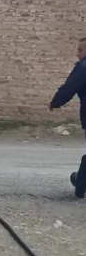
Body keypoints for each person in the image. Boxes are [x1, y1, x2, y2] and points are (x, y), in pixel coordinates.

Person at [49, 36, 86, 198]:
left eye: (81, 50)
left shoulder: (83, 67)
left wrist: (55, 103)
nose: (77, 54)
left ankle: (80, 185)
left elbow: (69, 87)